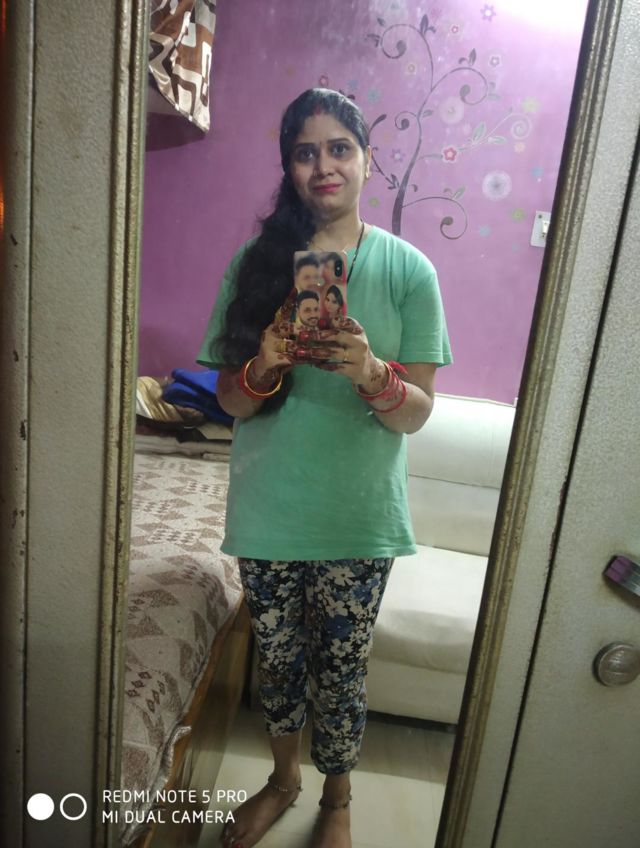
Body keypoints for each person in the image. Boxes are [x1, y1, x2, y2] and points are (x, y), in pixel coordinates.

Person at [197, 88, 452, 848]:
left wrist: (371, 372)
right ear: (289, 166)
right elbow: (230, 402)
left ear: (368, 160)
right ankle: (283, 781)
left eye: (340, 148)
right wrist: (264, 364)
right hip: (270, 509)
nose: (323, 165)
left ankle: (337, 799)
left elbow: (415, 413)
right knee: (277, 665)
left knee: (341, 671)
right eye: (305, 152)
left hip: (357, 516)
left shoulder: (410, 271)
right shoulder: (255, 264)